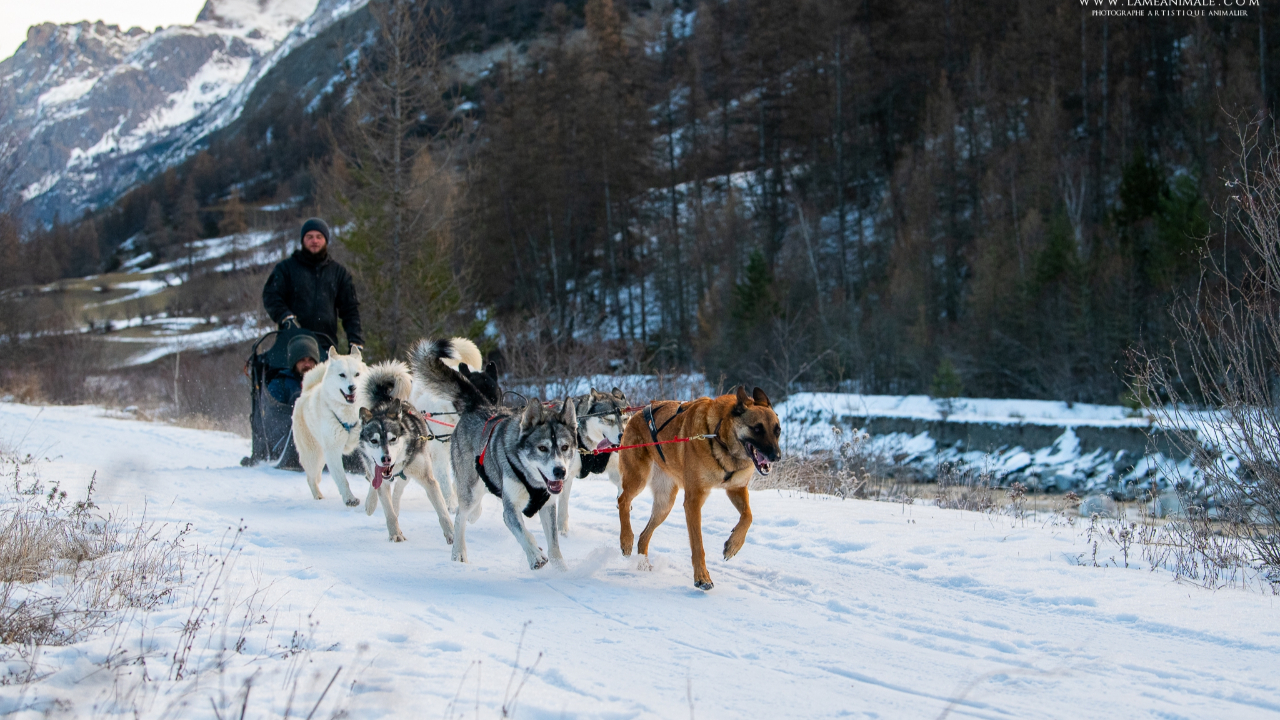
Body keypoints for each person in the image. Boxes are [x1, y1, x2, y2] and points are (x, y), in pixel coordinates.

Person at [262, 218, 364, 353]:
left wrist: (355, 341)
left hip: (326, 346)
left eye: (319, 237)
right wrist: (285, 317)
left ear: (326, 240)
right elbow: (271, 295)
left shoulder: (339, 273)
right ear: (303, 240)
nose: (314, 241)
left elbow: (350, 310)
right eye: (309, 237)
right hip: (291, 344)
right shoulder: (286, 269)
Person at [268, 334, 320, 406]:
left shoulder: (323, 382)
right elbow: (274, 412)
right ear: (294, 362)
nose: (307, 364)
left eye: (311, 360)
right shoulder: (280, 384)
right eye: (302, 360)